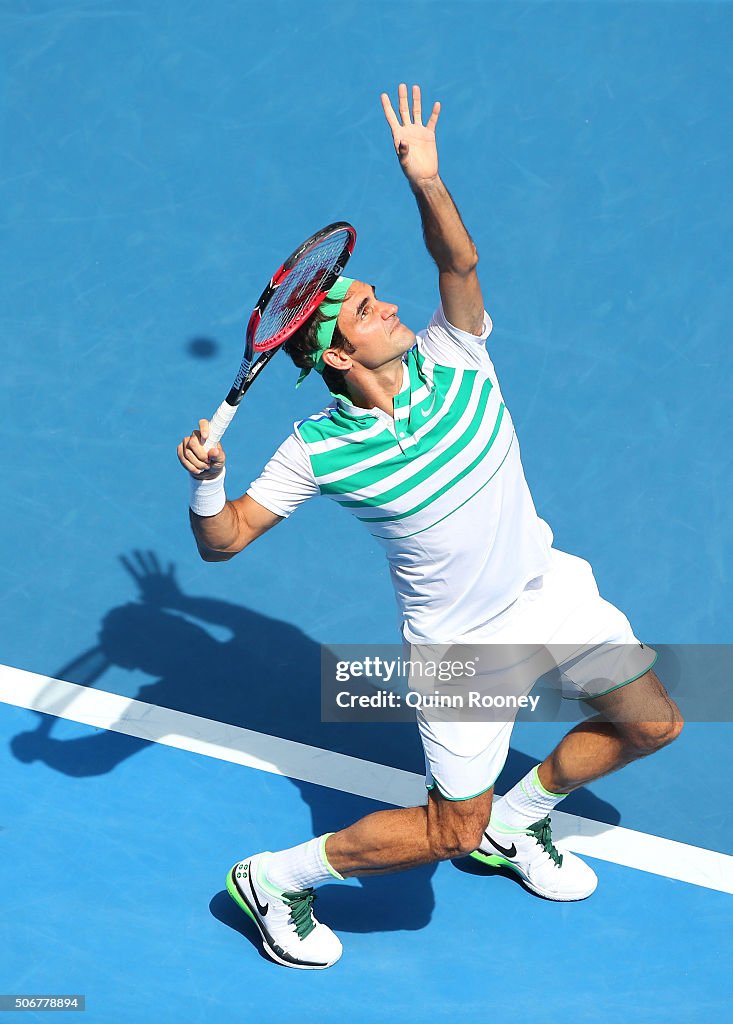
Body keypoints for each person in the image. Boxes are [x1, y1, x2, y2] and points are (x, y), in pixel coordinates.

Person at [177, 84, 683, 970]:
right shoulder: (315, 449)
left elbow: (459, 262)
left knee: (652, 723)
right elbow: (222, 544)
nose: (387, 308)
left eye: (376, 295)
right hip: (463, 654)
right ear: (336, 355)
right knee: (450, 831)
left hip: (549, 590)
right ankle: (274, 879)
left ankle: (519, 824)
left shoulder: (458, 351)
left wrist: (427, 183)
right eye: (365, 312)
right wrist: (209, 486)